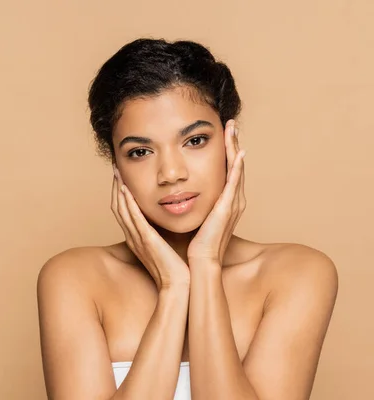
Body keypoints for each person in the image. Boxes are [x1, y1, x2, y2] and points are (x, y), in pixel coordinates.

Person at [36, 38, 338, 400]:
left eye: (194, 140)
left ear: (230, 141)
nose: (171, 173)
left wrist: (206, 264)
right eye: (141, 151)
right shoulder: (75, 279)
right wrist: (173, 288)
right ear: (116, 166)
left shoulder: (297, 274)